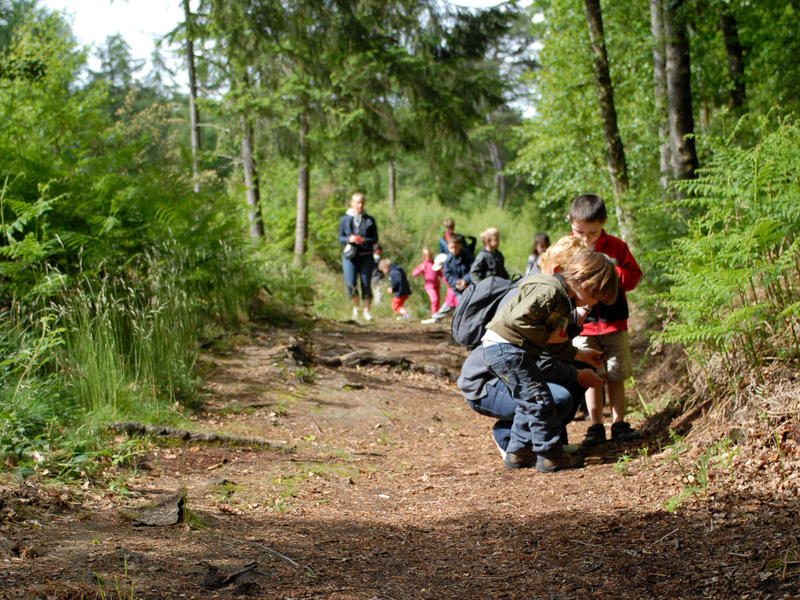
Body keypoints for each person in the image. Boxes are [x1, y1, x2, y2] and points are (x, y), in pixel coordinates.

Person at [458, 236, 603, 466]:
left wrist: (580, 355)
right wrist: (576, 372)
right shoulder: (544, 291)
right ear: (562, 272)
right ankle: (541, 452)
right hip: (486, 380)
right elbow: (539, 354)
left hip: (509, 362)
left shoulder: (552, 293)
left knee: (543, 396)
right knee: (543, 399)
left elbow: (551, 346)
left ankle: (521, 450)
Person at [567, 193, 642, 446]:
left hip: (614, 322)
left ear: (603, 223)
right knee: (591, 375)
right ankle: (595, 425)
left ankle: (619, 422)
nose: (586, 239)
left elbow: (633, 277)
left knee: (615, 374)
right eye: (580, 232)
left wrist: (608, 272)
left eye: (593, 233)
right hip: (584, 327)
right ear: (570, 222)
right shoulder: (568, 248)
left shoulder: (617, 247)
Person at [337, 192, 378, 321]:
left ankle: (367, 311)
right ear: (352, 203)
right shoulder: (344, 220)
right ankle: (355, 307)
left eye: (362, 203)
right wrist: (349, 238)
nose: (359, 205)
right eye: (357, 202)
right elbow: (340, 237)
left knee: (366, 283)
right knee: (351, 283)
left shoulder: (370, 220)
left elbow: (375, 238)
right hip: (350, 256)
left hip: (366, 255)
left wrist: (363, 240)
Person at [412, 247, 442, 317]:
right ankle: (434, 314)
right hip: (429, 286)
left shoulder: (434, 264)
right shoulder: (423, 265)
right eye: (428, 256)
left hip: (437, 284)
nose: (429, 257)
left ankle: (437, 314)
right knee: (434, 299)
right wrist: (421, 269)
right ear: (424, 256)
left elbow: (440, 274)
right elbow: (414, 273)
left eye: (431, 255)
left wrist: (446, 281)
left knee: (438, 300)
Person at [442, 235, 473, 302]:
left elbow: (472, 270)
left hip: (469, 286)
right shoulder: (448, 260)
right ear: (448, 247)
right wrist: (456, 282)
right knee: (461, 304)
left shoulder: (467, 256)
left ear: (460, 246)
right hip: (458, 289)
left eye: (456, 247)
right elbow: (447, 274)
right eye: (451, 248)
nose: (454, 250)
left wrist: (465, 280)